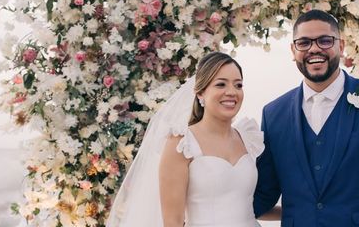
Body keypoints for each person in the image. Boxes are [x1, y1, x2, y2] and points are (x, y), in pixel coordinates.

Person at [254, 9, 359, 226]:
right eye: (304, 43)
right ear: (293, 50)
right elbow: (264, 193)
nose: (314, 49)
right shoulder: (273, 114)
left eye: (325, 41)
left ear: (340, 46)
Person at [107, 51, 274, 227]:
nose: (232, 92)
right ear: (200, 93)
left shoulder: (247, 138)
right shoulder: (182, 143)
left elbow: (249, 204)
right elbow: (173, 222)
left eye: (238, 85)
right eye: (221, 84)